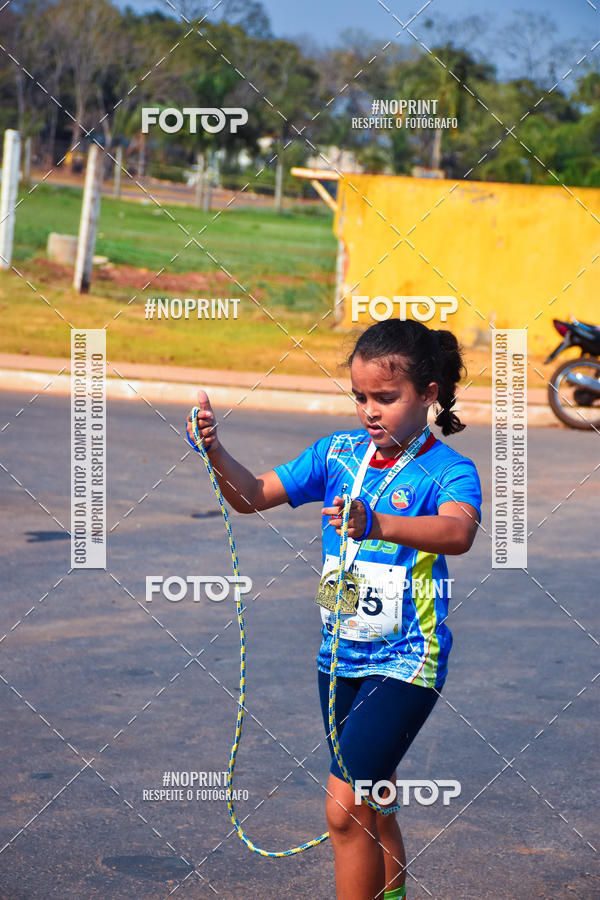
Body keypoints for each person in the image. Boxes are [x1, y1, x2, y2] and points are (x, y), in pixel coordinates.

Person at [186, 318, 482, 900]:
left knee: (344, 811)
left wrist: (378, 522)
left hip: (406, 662)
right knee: (375, 800)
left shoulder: (447, 469)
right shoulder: (337, 453)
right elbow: (252, 496)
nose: (370, 411)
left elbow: (458, 531)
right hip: (339, 655)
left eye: (386, 397)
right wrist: (216, 451)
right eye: (360, 396)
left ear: (428, 394)